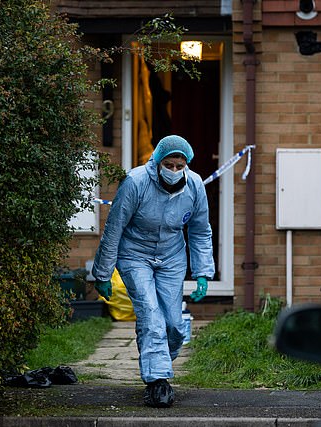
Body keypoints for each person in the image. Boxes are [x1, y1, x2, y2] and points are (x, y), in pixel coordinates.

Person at [92, 135, 215, 408]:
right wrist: (102, 274)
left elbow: (200, 230)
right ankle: (157, 381)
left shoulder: (194, 185)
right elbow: (114, 228)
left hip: (172, 256)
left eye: (178, 166)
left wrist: (203, 272)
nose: (173, 171)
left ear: (186, 165)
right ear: (157, 162)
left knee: (173, 323)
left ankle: (157, 363)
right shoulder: (136, 183)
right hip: (135, 254)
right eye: (168, 165)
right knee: (150, 314)